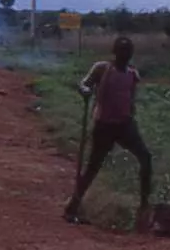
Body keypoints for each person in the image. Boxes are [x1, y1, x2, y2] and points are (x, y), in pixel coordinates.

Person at [65, 36, 154, 230]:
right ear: (115, 52)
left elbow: (131, 100)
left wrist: (132, 115)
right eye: (122, 52)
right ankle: (73, 206)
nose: (125, 56)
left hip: (125, 125)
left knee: (146, 157)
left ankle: (144, 208)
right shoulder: (101, 68)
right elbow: (84, 83)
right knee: (93, 167)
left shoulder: (132, 74)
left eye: (128, 52)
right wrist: (85, 90)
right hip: (104, 125)